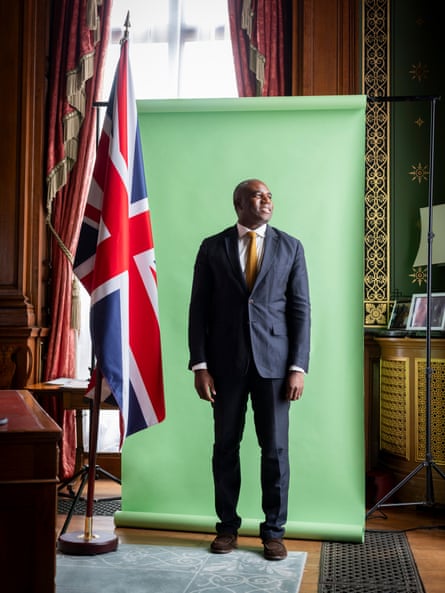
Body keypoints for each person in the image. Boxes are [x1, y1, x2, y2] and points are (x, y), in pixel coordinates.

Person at [188, 178, 311, 560]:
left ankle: (273, 532)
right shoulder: (212, 247)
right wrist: (200, 365)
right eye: (258, 195)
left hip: (275, 367)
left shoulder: (291, 247)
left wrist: (297, 366)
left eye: (270, 195)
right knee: (225, 447)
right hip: (224, 367)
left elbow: (300, 311)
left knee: (274, 450)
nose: (267, 200)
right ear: (239, 203)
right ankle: (227, 528)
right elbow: (198, 311)